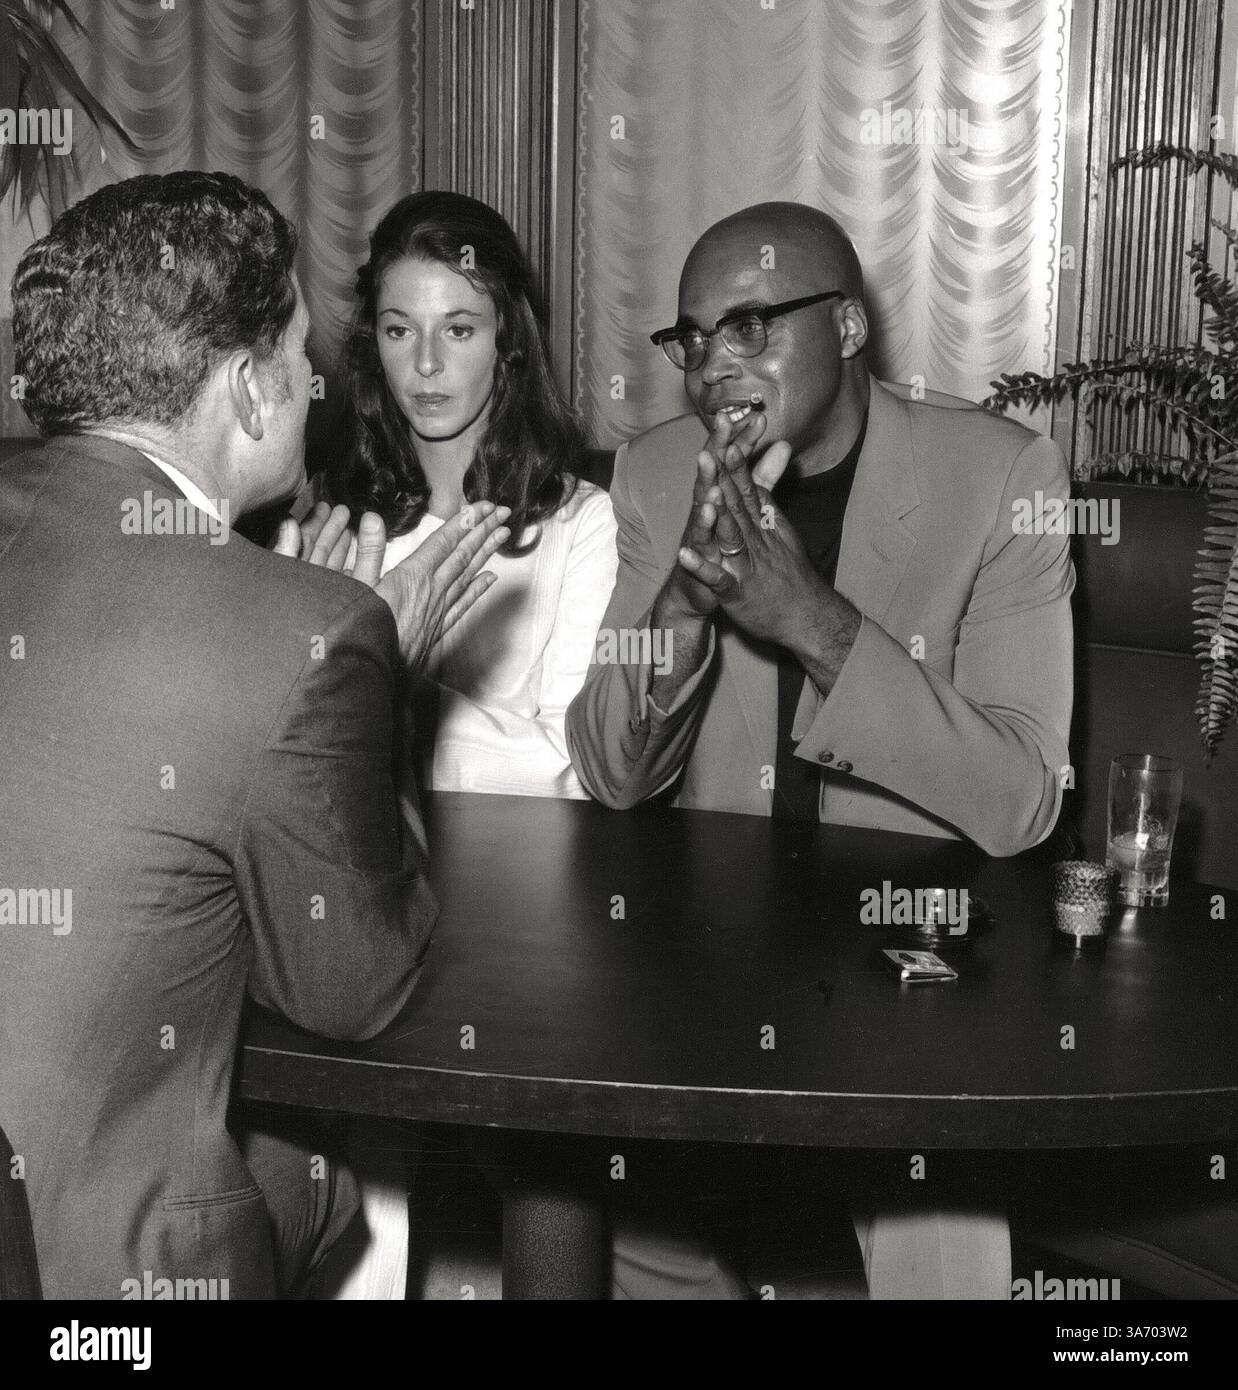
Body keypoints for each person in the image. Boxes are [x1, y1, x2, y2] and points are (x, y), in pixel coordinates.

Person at [0, 171, 508, 1299]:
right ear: (246, 390)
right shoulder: (306, 629)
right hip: (98, 1278)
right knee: (315, 1169)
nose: (313, 378)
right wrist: (381, 686)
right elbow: (353, 988)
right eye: (296, 350)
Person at [566, 200, 1076, 1298]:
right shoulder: (658, 474)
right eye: (692, 340)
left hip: (913, 969)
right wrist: (688, 609)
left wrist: (812, 620)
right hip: (702, 955)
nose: (710, 367)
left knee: (935, 1242)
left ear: (846, 327)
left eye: (748, 326)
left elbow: (1022, 798)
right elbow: (612, 774)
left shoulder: (999, 478)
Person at [322, 190, 617, 799]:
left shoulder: (583, 522)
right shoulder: (336, 521)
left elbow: (574, 767)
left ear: (506, 338)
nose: (426, 364)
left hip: (520, 865)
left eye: (458, 329)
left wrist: (382, 697)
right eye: (399, 330)